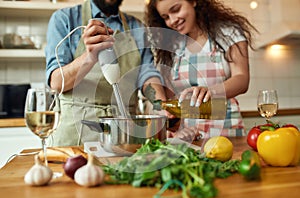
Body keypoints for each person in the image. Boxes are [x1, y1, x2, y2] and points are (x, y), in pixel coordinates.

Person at [45, 0, 164, 146]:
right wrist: (89, 57)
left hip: (124, 138)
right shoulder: (65, 19)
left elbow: (147, 76)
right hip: (74, 139)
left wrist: (160, 105)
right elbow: (57, 83)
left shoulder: (137, 27)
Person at [145, 0, 258, 139]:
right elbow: (170, 98)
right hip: (189, 135)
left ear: (193, 1)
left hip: (227, 131)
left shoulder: (228, 33)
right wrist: (172, 126)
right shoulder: (171, 46)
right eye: (165, 17)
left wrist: (211, 91)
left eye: (176, 9)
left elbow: (241, 79)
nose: (172, 20)